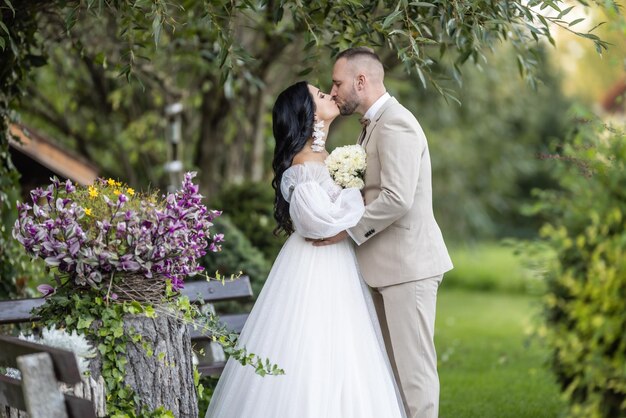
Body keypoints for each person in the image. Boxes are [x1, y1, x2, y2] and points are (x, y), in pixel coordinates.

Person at [205, 81, 406, 418]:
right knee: (310, 344)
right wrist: (354, 195)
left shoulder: (325, 157)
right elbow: (315, 222)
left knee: (345, 346)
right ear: (308, 113)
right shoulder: (302, 165)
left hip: (338, 263)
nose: (330, 94)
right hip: (313, 265)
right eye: (321, 95)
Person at [314, 47, 453, 418]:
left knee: (413, 374)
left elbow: (397, 198)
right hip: (384, 268)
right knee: (390, 373)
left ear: (362, 81)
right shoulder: (372, 125)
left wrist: (346, 231)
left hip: (408, 268)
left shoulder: (396, 123)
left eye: (338, 82)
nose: (334, 89)